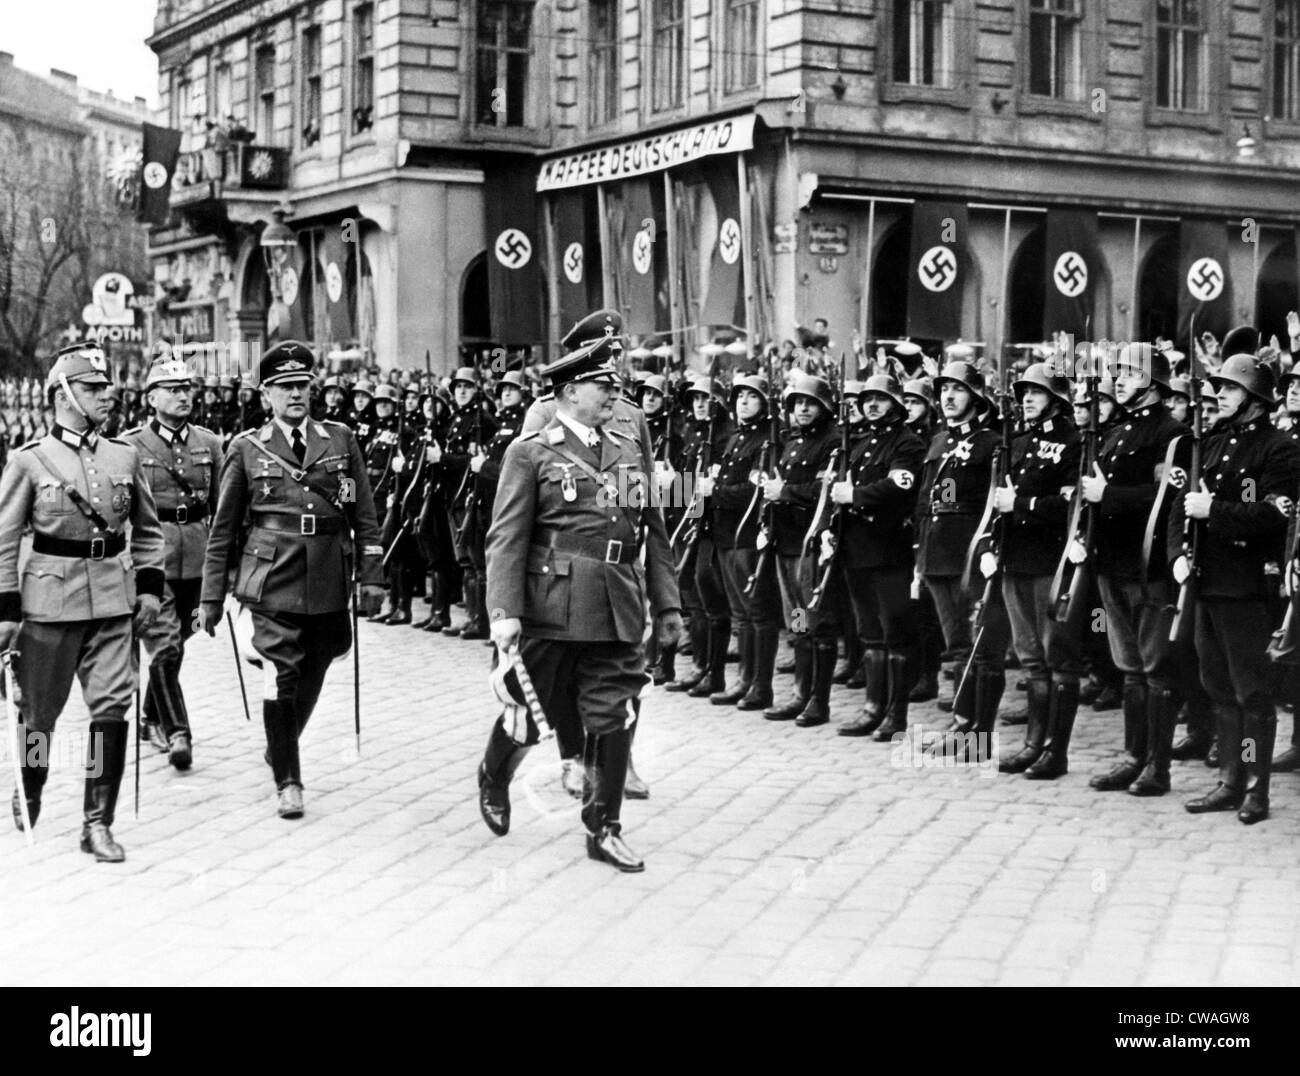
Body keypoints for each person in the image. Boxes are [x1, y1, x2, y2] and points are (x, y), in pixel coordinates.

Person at [475, 333, 683, 872]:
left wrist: (667, 605)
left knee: (614, 715)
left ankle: (603, 828)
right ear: (569, 392)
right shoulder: (530, 453)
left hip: (617, 603)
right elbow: (507, 539)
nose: (614, 394)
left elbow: (653, 529)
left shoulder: (628, 448)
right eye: (602, 385)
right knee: (526, 713)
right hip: (552, 606)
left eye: (615, 385)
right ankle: (494, 774)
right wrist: (504, 612)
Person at [198, 342, 385, 820]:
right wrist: (211, 596)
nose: (296, 394)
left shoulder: (339, 440)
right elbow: (223, 529)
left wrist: (372, 575)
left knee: (320, 659)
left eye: (302, 385)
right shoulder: (247, 448)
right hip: (271, 575)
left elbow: (361, 511)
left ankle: (280, 744)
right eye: (285, 387)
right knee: (281, 672)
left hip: (327, 572)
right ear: (267, 395)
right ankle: (289, 780)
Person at [0, 342, 165, 862]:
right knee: (39, 715)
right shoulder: (29, 461)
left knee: (112, 708)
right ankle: (30, 788)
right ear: (62, 396)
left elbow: (148, 530)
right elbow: (4, 540)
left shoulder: (123, 456)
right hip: (49, 605)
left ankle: (97, 822)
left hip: (113, 601)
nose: (106, 396)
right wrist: (5, 612)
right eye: (92, 388)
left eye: (106, 387)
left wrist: (149, 588)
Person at [1174, 355, 1300, 823]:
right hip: (1207, 581)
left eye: (1230, 388)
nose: (1220, 395)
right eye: (1220, 388)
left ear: (1255, 398)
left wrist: (1215, 512)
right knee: (1219, 688)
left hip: (1245, 586)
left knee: (1252, 695)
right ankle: (1230, 780)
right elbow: (1184, 504)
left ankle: (1254, 788)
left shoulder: (1278, 447)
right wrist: (1180, 552)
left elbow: (1274, 514)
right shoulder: (1213, 442)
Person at [123, 356, 224, 770]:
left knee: (185, 635)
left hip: (198, 555)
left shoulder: (210, 443)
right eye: (173, 389)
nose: (184, 395)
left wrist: (226, 566)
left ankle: (151, 716)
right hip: (153, 556)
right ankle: (179, 732)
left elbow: (221, 507)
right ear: (152, 398)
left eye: (187, 389)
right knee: (164, 642)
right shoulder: (131, 446)